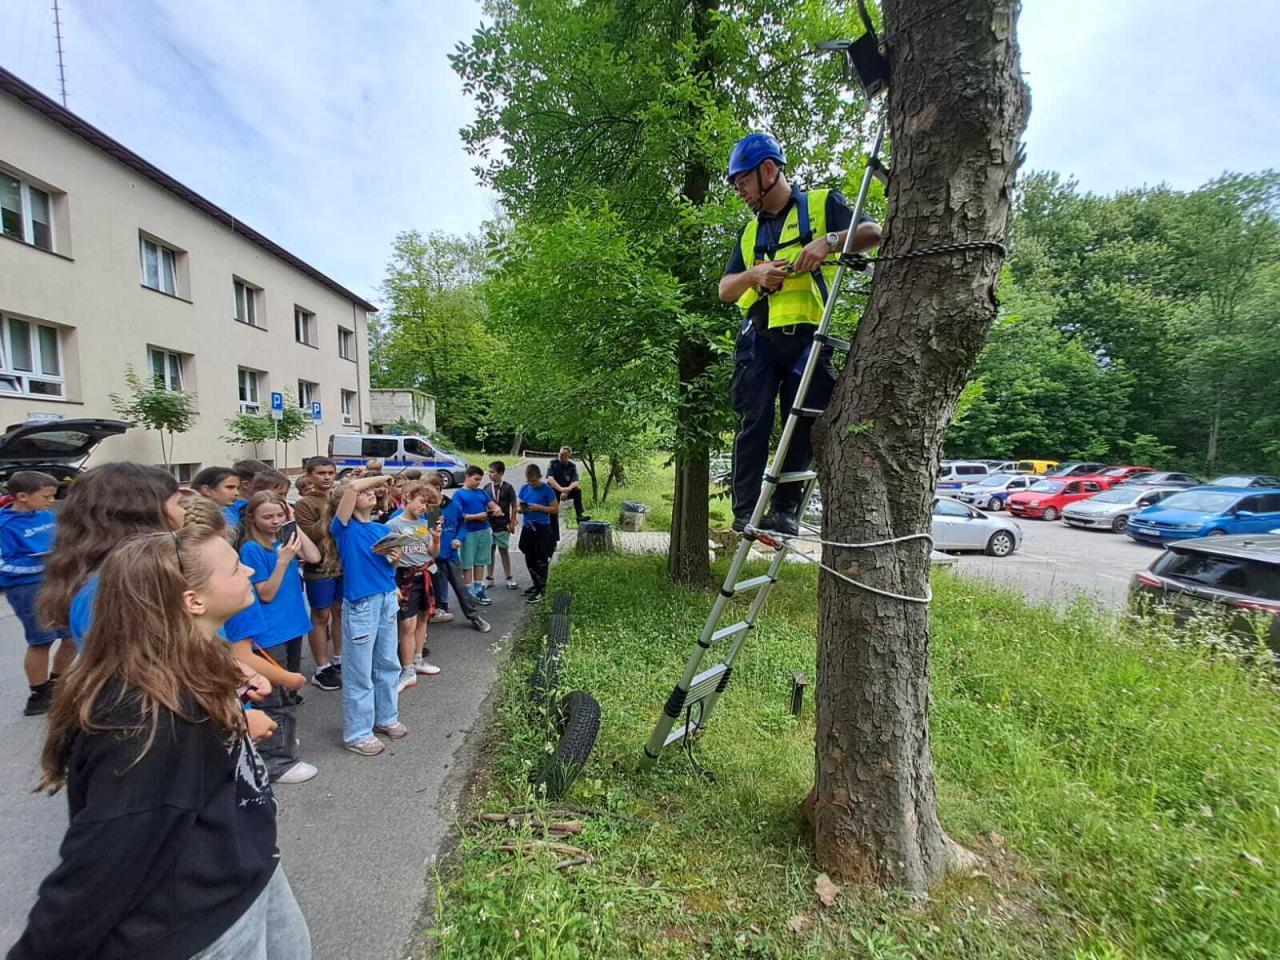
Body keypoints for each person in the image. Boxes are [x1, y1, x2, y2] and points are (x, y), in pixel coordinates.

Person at [10, 525, 311, 960]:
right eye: (232, 567)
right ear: (193, 601)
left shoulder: (194, 663)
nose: (246, 567)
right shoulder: (145, 722)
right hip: (197, 921)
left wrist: (236, 716)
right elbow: (102, 865)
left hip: (249, 869)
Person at [718, 131, 882, 535]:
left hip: (808, 338)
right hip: (758, 340)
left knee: (806, 422)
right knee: (753, 422)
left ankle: (785, 512)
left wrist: (829, 242)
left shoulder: (822, 204)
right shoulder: (750, 232)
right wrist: (756, 274)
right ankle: (745, 513)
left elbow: (873, 233)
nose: (740, 191)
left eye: (743, 182)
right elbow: (725, 289)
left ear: (768, 170)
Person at [39, 463, 185, 648]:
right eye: (178, 503)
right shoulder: (127, 585)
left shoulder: (100, 576)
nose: (184, 511)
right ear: (145, 512)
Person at [238, 492, 322, 784]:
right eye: (267, 517)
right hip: (270, 633)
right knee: (275, 698)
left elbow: (313, 557)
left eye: (279, 515)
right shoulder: (251, 549)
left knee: (288, 694)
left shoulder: (282, 539)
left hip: (292, 627)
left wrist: (293, 525)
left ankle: (279, 742)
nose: (274, 522)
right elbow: (266, 593)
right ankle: (277, 763)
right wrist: (283, 561)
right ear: (252, 519)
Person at [330, 473, 405, 755]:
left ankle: (386, 717)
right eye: (365, 492)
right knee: (359, 670)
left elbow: (389, 566)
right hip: (361, 603)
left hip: (386, 597)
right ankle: (357, 733)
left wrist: (394, 562)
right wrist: (383, 476)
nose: (370, 493)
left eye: (373, 492)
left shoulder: (380, 529)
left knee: (388, 662)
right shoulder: (343, 527)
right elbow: (350, 486)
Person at [0, 471, 73, 716]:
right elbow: (3, 563)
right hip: (26, 587)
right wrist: (42, 563)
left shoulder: (45, 516)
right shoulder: (5, 525)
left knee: (72, 634)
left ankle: (57, 682)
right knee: (42, 639)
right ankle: (39, 692)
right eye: (46, 496)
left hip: (56, 582)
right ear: (22, 496)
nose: (51, 501)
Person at [387, 481, 442, 690]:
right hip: (404, 577)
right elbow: (387, 558)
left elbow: (433, 554)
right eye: (421, 502)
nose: (424, 508)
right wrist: (393, 581)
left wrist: (436, 538)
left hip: (426, 574)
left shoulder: (425, 523)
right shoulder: (393, 524)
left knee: (423, 618)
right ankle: (407, 668)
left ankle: (418, 660)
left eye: (428, 505)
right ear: (408, 498)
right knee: (407, 624)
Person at [295, 457, 343, 691]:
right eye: (321, 473)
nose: (326, 477)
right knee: (321, 615)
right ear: (309, 476)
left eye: (330, 473)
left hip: (342, 564)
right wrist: (331, 511)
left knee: (340, 611)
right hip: (320, 567)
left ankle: (339, 657)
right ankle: (321, 666)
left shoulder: (340, 497)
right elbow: (310, 534)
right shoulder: (305, 503)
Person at [435, 493, 492, 634]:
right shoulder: (431, 509)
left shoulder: (453, 505)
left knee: (461, 589)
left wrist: (459, 538)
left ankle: (474, 617)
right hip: (432, 557)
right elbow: (429, 533)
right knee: (431, 590)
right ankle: (434, 613)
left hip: (450, 556)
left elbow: (462, 525)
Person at [451, 465, 498, 606]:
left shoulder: (481, 492)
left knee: (480, 561)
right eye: (476, 479)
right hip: (468, 532)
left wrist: (496, 509)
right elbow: (458, 516)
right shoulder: (458, 494)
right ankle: (469, 592)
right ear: (467, 477)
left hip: (484, 530)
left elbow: (492, 504)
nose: (478, 482)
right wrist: (476, 516)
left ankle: (479, 589)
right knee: (467, 563)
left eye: (480, 480)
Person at [517, 462, 559, 603]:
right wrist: (522, 509)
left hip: (541, 527)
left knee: (540, 557)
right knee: (529, 556)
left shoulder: (547, 489)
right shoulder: (524, 488)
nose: (531, 483)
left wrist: (539, 507)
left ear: (539, 477)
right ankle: (535, 584)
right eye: (529, 481)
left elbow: (555, 509)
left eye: (534, 481)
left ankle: (542, 589)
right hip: (527, 526)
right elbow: (519, 506)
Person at [484, 460, 520, 591]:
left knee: (504, 551)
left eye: (492, 472)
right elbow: (483, 503)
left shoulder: (508, 487)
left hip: (503, 525)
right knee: (489, 552)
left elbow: (514, 504)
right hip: (489, 525)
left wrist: (513, 520)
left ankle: (509, 577)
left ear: (501, 473)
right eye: (489, 471)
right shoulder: (487, 487)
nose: (489, 474)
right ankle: (489, 577)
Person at [424, 475, 453, 624]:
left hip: (432, 554)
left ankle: (439, 607)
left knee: (438, 578)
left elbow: (433, 532)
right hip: (417, 558)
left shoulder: (435, 508)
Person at [546, 447, 589, 531]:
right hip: (555, 489)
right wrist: (561, 490)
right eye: (560, 454)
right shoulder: (553, 463)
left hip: (566, 490)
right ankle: (552, 525)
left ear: (568, 456)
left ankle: (579, 515)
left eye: (563, 455)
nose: (560, 456)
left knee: (577, 491)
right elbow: (550, 479)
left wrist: (567, 490)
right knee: (553, 498)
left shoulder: (572, 466)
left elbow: (575, 482)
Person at [193, 466, 244, 531]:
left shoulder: (229, 513)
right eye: (230, 487)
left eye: (238, 488)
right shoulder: (193, 517)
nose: (237, 493)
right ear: (206, 490)